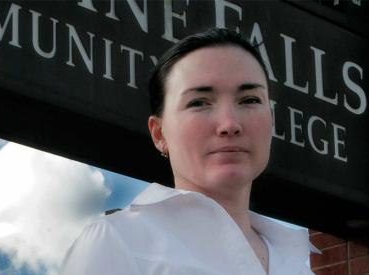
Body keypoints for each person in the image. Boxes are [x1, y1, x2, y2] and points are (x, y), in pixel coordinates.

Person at [60, 28, 318, 275]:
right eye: (198, 103)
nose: (229, 124)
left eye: (250, 100)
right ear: (159, 133)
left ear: (271, 119)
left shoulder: (297, 266)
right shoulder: (119, 244)